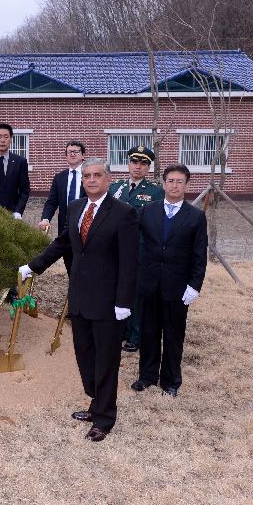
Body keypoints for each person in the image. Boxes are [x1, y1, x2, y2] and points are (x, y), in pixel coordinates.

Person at [19, 158, 138, 442]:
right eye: (87, 176)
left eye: (98, 175)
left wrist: (123, 301)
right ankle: (95, 403)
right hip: (81, 298)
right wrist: (33, 266)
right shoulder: (74, 209)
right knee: (85, 356)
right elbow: (63, 243)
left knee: (106, 360)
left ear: (108, 180)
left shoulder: (124, 213)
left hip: (110, 303)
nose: (92, 180)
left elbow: (130, 262)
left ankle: (105, 418)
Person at [131, 164, 207, 397]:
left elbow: (199, 255)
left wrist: (194, 286)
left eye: (180, 181)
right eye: (171, 181)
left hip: (177, 288)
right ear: (164, 183)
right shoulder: (148, 211)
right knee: (149, 332)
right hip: (150, 283)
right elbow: (132, 240)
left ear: (187, 185)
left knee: (173, 335)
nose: (174, 185)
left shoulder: (196, 217)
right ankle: (147, 375)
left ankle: (171, 381)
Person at [108, 145, 164, 353]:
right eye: (134, 162)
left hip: (140, 250)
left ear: (148, 167)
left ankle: (135, 334)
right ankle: (120, 329)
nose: (137, 167)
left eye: (143, 163)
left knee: (137, 293)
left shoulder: (155, 192)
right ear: (128, 163)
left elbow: (155, 224)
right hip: (115, 249)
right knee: (117, 288)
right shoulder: (116, 187)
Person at [39, 140, 87, 235]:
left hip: (85, 224)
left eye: (76, 152)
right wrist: (45, 219)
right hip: (64, 226)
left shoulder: (89, 175)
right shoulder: (59, 177)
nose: (72, 154)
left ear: (83, 155)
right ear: (66, 156)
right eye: (69, 152)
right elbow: (52, 202)